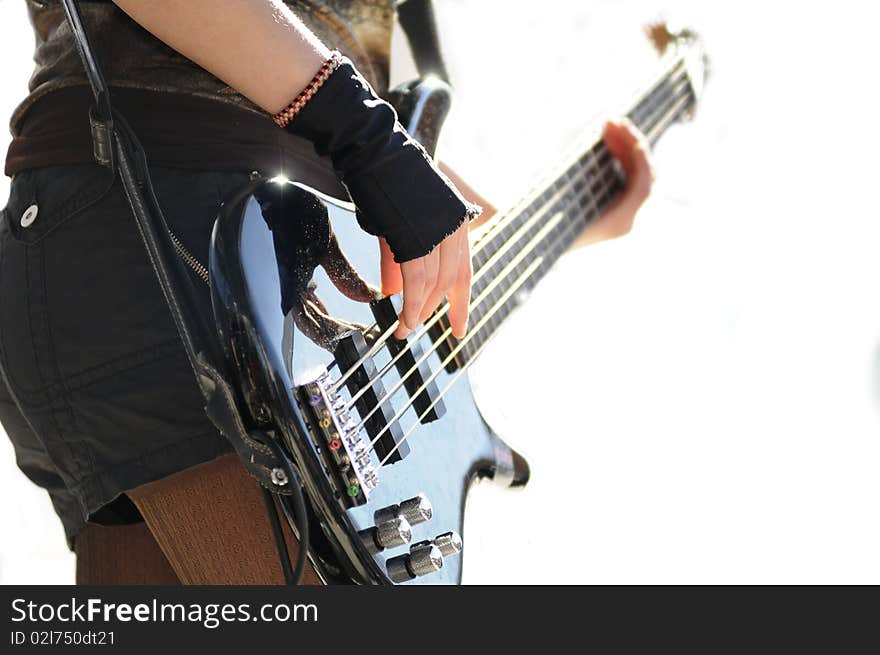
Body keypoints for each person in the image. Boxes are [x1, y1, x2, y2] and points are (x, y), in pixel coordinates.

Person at [0, 0, 653, 584]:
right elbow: (352, 126)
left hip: (132, 258)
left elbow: (396, 187)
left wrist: (570, 222)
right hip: (204, 245)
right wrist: (366, 134)